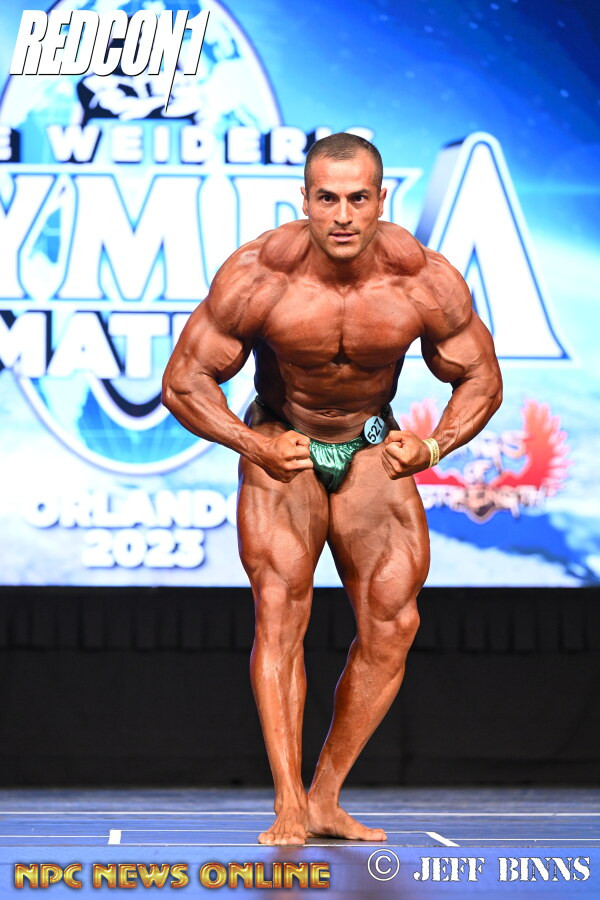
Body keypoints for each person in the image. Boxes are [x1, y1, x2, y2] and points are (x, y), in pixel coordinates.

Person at [162, 133, 502, 846]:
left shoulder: (423, 280)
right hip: (282, 440)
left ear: (381, 200)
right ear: (305, 200)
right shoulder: (260, 275)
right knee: (281, 614)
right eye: (327, 198)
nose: (343, 215)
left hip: (372, 444)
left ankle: (325, 796)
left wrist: (434, 445)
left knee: (394, 623)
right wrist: (253, 443)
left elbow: (481, 377)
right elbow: (184, 382)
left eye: (357, 198)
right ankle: (288, 800)